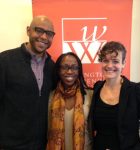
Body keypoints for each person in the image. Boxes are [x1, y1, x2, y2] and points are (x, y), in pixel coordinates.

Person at [0, 15, 55, 149]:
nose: (43, 37)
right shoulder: (5, 61)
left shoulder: (53, 67)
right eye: (39, 30)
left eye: (49, 34)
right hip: (10, 145)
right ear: (28, 30)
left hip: (42, 144)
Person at [88, 41, 140, 150]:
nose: (109, 65)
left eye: (115, 61)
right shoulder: (97, 87)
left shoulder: (137, 91)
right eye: (105, 60)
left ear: (123, 63)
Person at [46, 52, 93, 150]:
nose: (70, 71)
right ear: (58, 70)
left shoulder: (89, 95)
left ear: (79, 70)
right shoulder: (50, 96)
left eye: (74, 67)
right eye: (65, 67)